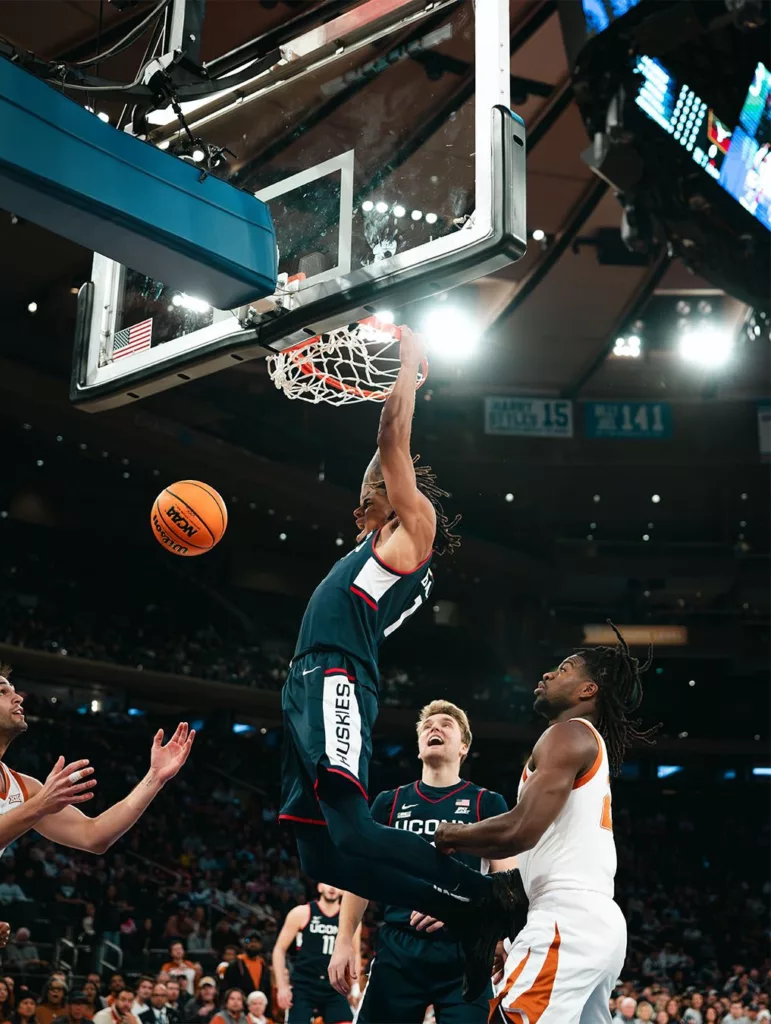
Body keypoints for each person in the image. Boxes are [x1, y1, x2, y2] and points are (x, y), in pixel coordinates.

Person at [279, 330, 518, 993]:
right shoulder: (371, 541)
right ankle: (464, 913)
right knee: (319, 847)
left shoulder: (414, 528)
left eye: (378, 483)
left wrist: (405, 371)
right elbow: (384, 458)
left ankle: (482, 898)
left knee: (354, 828)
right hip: (305, 683)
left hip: (335, 675)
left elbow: (390, 441)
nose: (371, 489)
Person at [430, 623, 658, 1023]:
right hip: (584, 923)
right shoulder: (578, 742)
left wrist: (451, 834)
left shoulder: (567, 734)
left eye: (565, 669)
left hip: (566, 920)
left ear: (589, 691)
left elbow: (519, 830)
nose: (549, 674)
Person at [0, 661, 195, 1023]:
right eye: (1, 691)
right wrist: (37, 808)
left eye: (14, 690)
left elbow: (94, 836)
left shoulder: (23, 788)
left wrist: (154, 779)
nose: (17, 696)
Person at [330, 700, 517, 1024]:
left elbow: (509, 880)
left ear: (464, 746)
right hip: (400, 948)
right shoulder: (388, 803)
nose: (435, 728)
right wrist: (344, 940)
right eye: (428, 726)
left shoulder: (486, 802)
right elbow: (361, 878)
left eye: (446, 724)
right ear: (418, 747)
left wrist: (500, 933)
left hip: (465, 946)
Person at [273, 884, 357, 1024]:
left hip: (334, 985)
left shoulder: (350, 918)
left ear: (343, 890)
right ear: (319, 887)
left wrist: (355, 987)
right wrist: (282, 986)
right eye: (328, 883)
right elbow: (279, 949)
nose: (332, 888)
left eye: (337, 885)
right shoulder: (302, 912)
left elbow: (355, 953)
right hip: (304, 984)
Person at [220, 935, 271, 1005]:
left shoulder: (263, 964)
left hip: (260, 1005)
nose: (253, 944)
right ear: (245, 944)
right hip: (241, 1005)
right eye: (250, 941)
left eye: (256, 942)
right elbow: (227, 987)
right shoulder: (236, 964)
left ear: (261, 945)